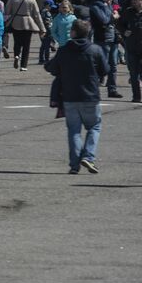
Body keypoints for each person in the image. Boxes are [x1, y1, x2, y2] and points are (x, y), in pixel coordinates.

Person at [46, 19, 107, 176]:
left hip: (69, 96)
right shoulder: (95, 50)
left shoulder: (64, 50)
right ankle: (88, 156)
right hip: (90, 95)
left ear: (73, 32)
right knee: (94, 126)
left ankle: (74, 164)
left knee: (74, 130)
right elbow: (105, 69)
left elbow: (52, 67)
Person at [4, 0, 44, 71]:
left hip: (16, 21)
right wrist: (42, 28)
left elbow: (7, 11)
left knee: (17, 42)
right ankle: (24, 65)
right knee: (26, 45)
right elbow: (37, 15)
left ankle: (16, 55)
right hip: (28, 22)